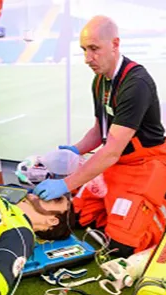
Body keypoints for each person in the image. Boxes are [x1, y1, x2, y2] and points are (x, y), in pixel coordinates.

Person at [34, 15, 166, 257]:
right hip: (115, 165)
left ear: (115, 44)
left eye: (94, 49)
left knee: (121, 246)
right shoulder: (100, 80)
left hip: (144, 165)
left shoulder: (135, 83)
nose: (87, 58)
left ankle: (153, 211)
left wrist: (66, 183)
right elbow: (100, 130)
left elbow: (111, 149)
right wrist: (75, 150)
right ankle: (120, 209)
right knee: (73, 216)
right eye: (84, 49)